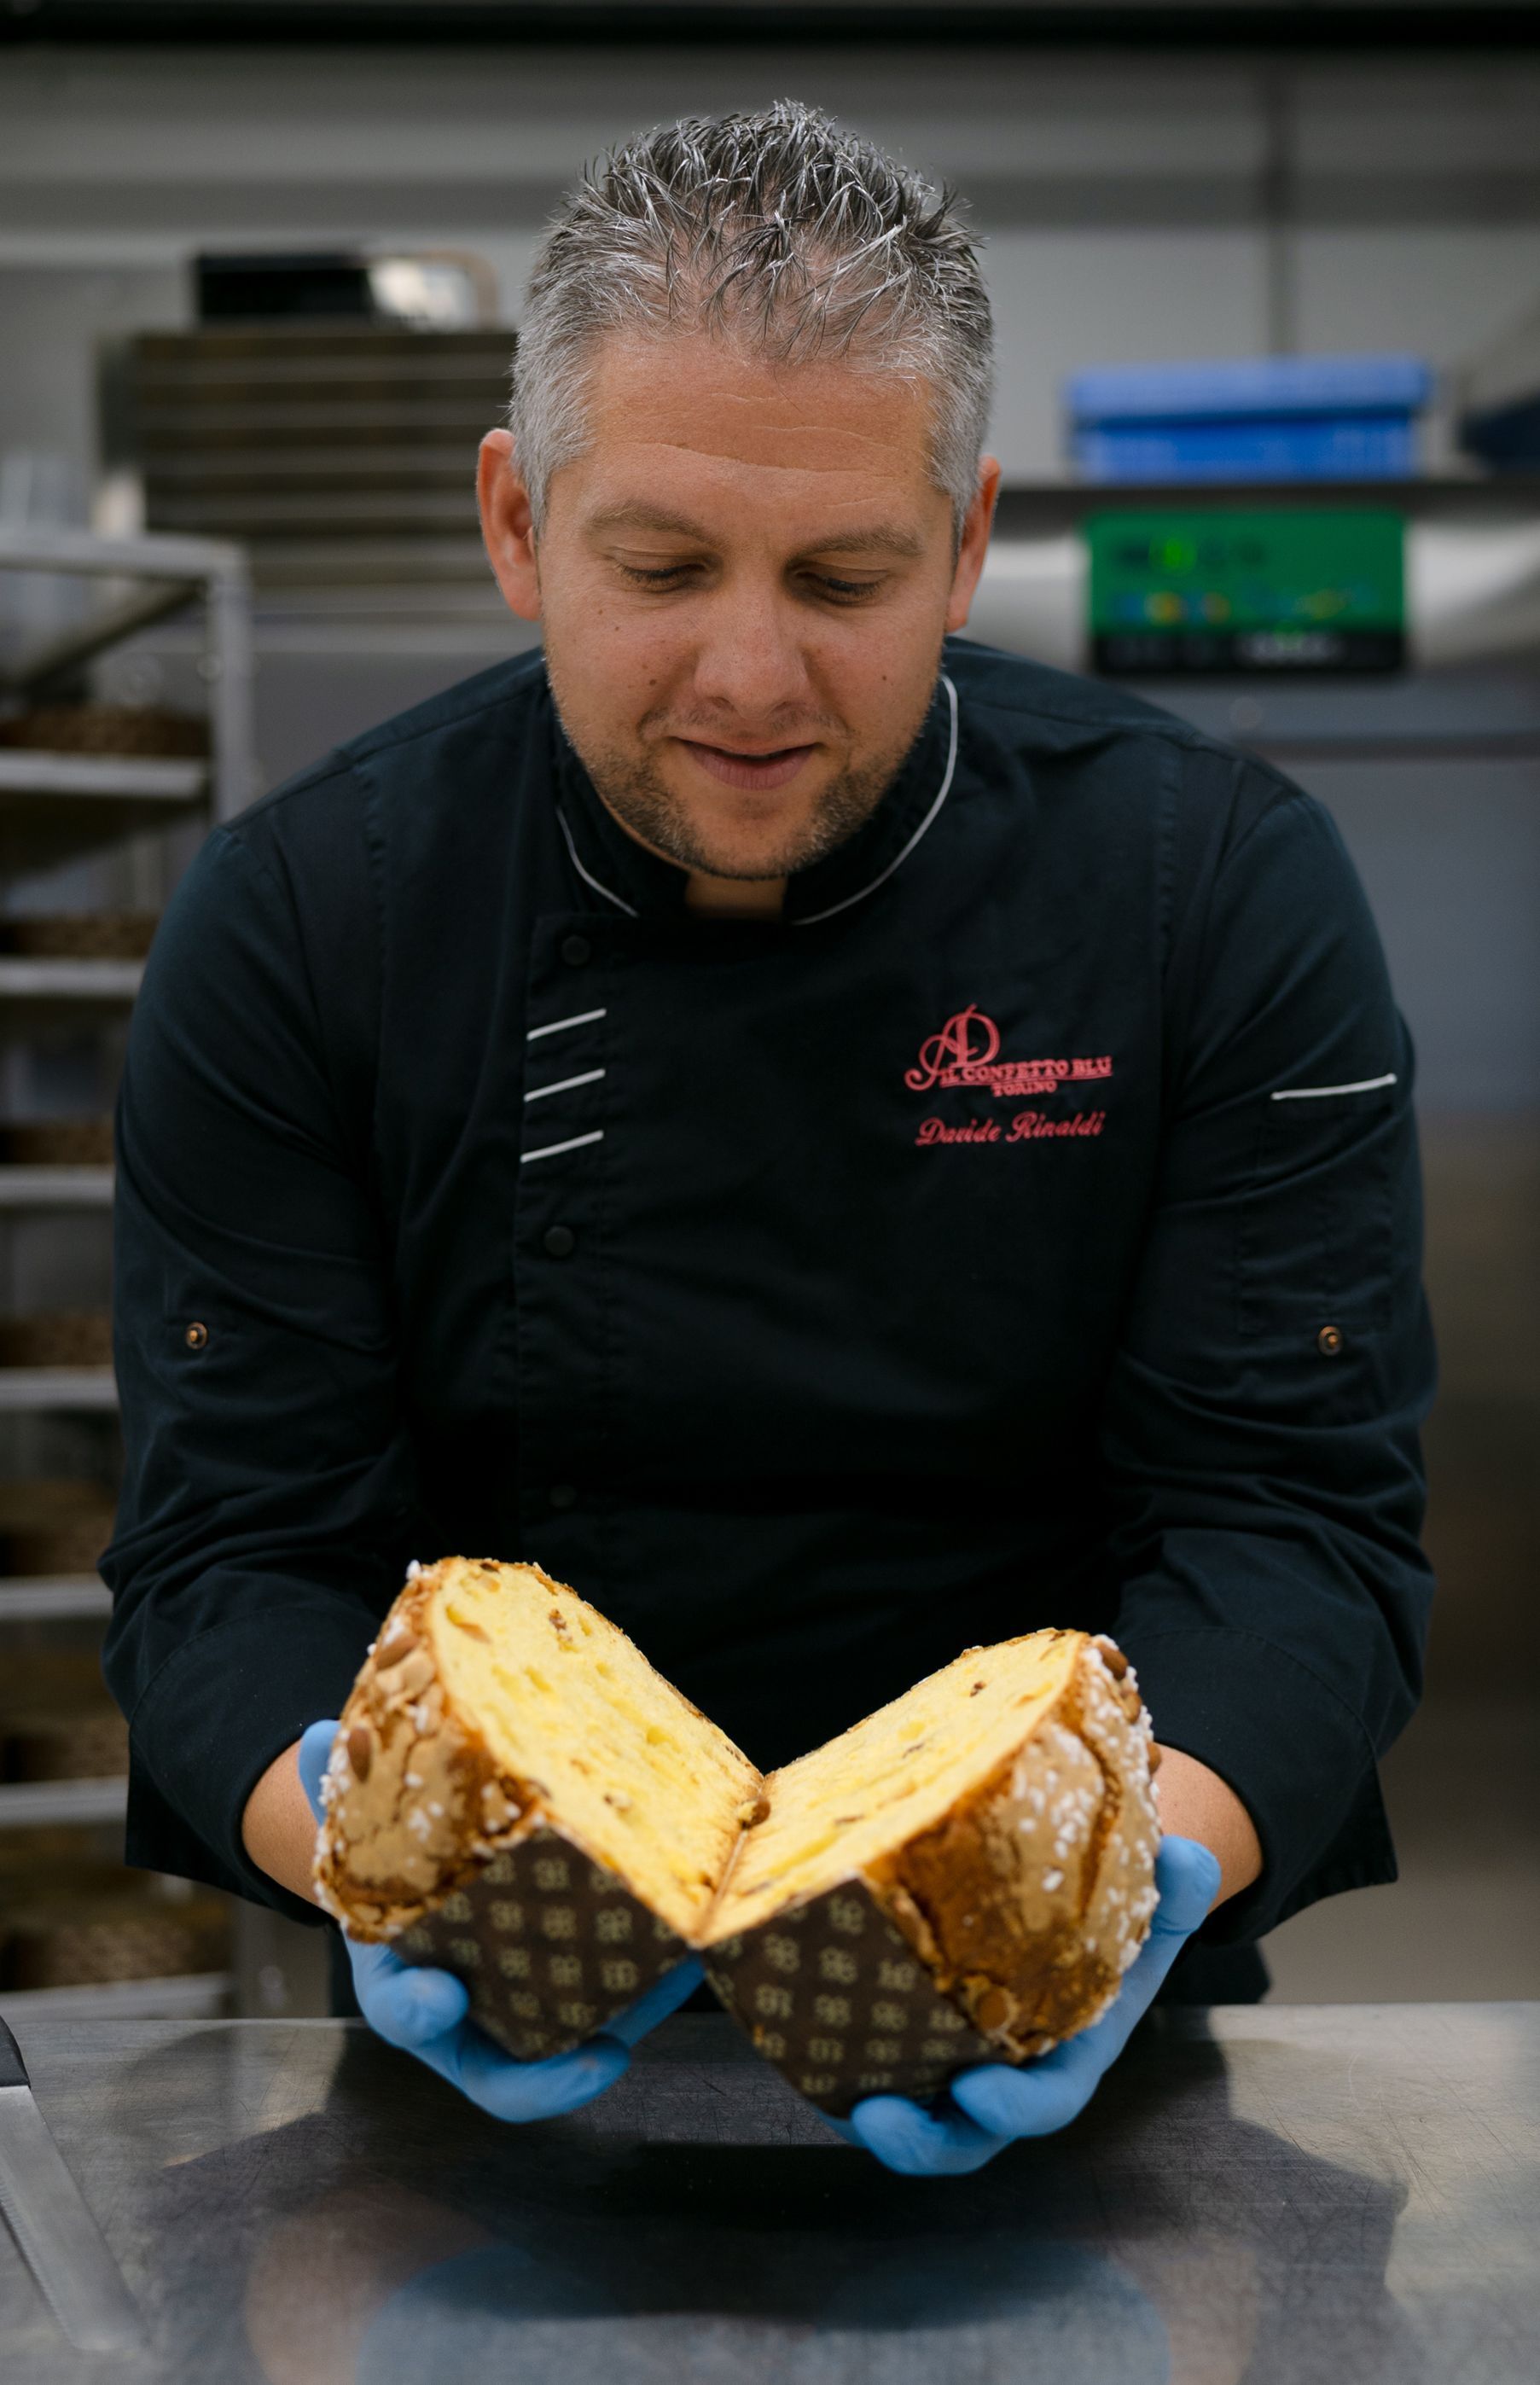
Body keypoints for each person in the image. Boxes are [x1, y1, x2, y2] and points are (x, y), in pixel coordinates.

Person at [102, 102, 1434, 2176]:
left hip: (1077, 2037)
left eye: (843, 577)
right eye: (658, 566)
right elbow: (230, 1560)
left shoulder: (1211, 894)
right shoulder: (306, 927)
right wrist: (395, 1872)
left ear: (969, 541)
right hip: (490, 2069)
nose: (749, 673)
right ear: (518, 525)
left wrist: (1102, 1890)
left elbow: (1298, 1522)